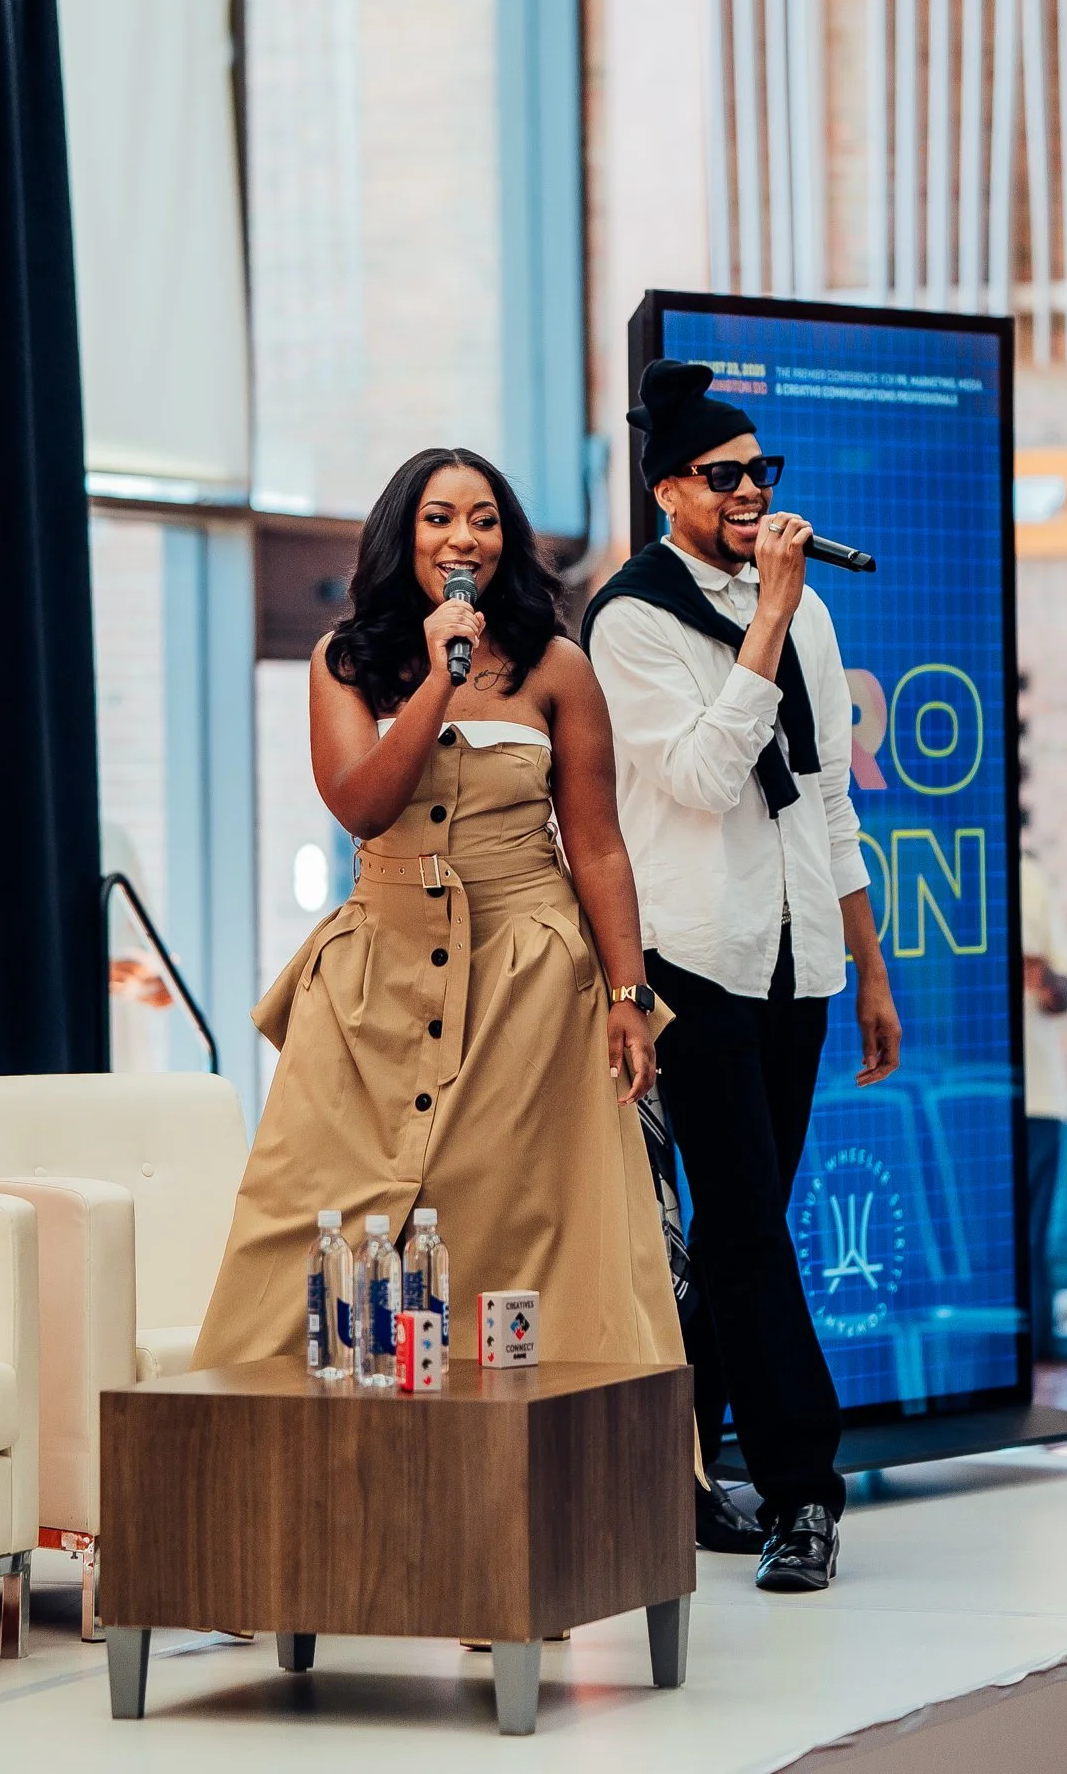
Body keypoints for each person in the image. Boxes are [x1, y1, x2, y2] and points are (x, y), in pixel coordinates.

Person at [193, 447, 683, 1384]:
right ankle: (268, 1446)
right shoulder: (345, 661)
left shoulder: (557, 668)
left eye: (485, 520)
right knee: (303, 1215)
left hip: (527, 980)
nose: (465, 538)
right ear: (402, 535)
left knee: (516, 1222)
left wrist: (628, 994)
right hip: (373, 979)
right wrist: (435, 680)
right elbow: (361, 804)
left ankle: (518, 1447)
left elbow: (598, 846)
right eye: (440, 518)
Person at [583, 358, 901, 1593]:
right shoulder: (633, 619)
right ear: (669, 490)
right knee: (752, 1228)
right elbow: (708, 779)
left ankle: (680, 1472)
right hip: (694, 962)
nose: (753, 491)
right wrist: (766, 615)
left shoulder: (806, 609)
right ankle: (804, 1490)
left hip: (797, 961)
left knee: (733, 1237)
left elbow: (825, 799)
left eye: (762, 470)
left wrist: (868, 966)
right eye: (724, 475)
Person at [1020, 851, 1067, 1359]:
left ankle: (1036, 1359)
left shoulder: (1030, 877)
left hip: (1036, 1097)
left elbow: (1065, 989)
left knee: (1030, 1241)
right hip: (961, 1095)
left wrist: (1042, 979)